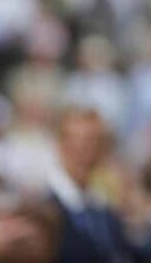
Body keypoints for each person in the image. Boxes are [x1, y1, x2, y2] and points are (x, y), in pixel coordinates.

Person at [46, 107, 134, 263]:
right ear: (60, 146)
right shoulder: (45, 208)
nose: (85, 152)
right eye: (76, 142)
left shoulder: (104, 210)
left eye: (92, 142)